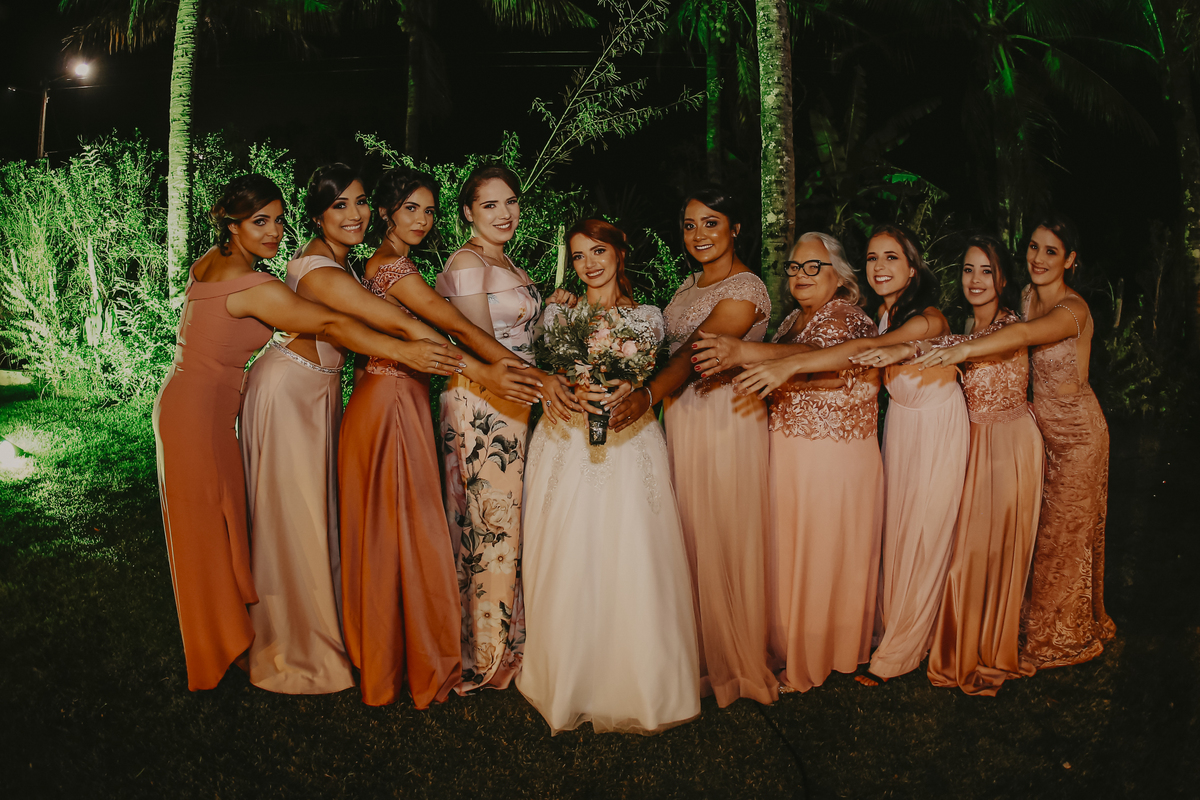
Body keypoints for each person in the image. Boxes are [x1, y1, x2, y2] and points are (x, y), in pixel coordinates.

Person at [154, 174, 450, 691]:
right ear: (232, 224)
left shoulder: (214, 263)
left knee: (231, 523)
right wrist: (408, 351)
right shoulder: (256, 285)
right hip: (210, 411)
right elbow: (332, 326)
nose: (273, 232)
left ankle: (235, 637)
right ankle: (267, 644)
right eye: (259, 221)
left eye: (277, 219)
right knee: (221, 528)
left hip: (200, 403)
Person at [708, 225, 969, 686]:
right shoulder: (866, 316)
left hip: (918, 435)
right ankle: (820, 637)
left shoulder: (906, 318)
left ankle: (886, 648)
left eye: (891, 257)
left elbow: (853, 351)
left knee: (918, 538)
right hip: (886, 433)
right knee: (879, 543)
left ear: (912, 268)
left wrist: (778, 360)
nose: (880, 266)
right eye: (873, 258)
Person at [339, 166, 547, 708]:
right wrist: (520, 376)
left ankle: (440, 640)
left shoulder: (404, 263)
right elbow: (457, 330)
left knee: (422, 527)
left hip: (411, 392)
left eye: (428, 210)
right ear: (385, 212)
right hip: (402, 397)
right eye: (411, 208)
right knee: (431, 526)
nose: (422, 220)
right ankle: (464, 648)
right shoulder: (391, 267)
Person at [516, 219, 700, 735]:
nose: (589, 264)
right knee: (566, 548)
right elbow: (549, 372)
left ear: (620, 253)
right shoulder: (558, 313)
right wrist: (563, 383)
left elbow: (645, 379)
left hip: (627, 438)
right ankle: (566, 675)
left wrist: (625, 389)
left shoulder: (647, 318)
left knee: (631, 547)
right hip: (566, 439)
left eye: (598, 251)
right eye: (578, 256)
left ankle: (638, 678)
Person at [912, 216, 1114, 671]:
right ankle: (1023, 619)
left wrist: (963, 349)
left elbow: (1021, 335)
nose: (1038, 259)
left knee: (1064, 538)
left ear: (1070, 260)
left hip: (1078, 438)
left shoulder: (1073, 310)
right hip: (1037, 428)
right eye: (1034, 247)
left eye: (1051, 251)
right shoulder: (1025, 297)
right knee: (1037, 534)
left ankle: (1057, 636)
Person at [605, 186, 779, 707]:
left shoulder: (746, 288)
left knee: (724, 530)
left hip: (726, 419)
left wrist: (648, 395)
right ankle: (693, 648)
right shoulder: (688, 284)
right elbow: (660, 345)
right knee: (687, 531)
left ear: (736, 228)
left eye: (711, 222)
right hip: (682, 417)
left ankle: (734, 659)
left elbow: (695, 355)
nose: (699, 234)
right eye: (689, 225)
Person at [436, 163, 577, 692]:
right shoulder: (466, 262)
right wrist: (542, 381)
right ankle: (484, 651)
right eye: (490, 204)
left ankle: (505, 636)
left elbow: (522, 336)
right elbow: (479, 343)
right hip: (480, 404)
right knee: (486, 524)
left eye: (511, 202)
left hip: (515, 402)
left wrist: (553, 311)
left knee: (506, 522)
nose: (504, 213)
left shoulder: (507, 261)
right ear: (468, 212)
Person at [755, 232, 885, 691]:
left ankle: (818, 652)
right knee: (789, 548)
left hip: (832, 455)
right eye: (794, 267)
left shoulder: (849, 317)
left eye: (813, 266)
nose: (801, 275)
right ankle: (785, 641)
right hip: (789, 453)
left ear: (840, 275)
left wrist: (755, 359)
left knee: (822, 548)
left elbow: (826, 366)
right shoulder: (793, 318)